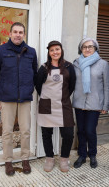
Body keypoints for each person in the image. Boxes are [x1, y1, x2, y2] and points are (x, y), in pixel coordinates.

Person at [0, 22, 38, 176]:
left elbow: (34, 74)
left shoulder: (31, 52)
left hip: (24, 98)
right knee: (7, 132)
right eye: (15, 32)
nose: (18, 34)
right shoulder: (1, 51)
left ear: (24, 35)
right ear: (10, 34)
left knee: (26, 131)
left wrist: (30, 89)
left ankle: (25, 159)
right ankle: (8, 161)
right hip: (6, 98)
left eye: (21, 32)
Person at [36, 41, 76, 172]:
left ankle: (64, 158)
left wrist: (62, 97)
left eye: (57, 49)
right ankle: (49, 158)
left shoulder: (69, 66)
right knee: (46, 134)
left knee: (68, 134)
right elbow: (38, 85)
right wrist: (49, 97)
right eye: (52, 50)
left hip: (64, 105)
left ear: (61, 50)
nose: (55, 52)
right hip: (47, 104)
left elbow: (72, 86)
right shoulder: (43, 68)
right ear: (49, 52)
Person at [72, 37, 109, 169]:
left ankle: (92, 154)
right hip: (79, 102)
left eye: (90, 47)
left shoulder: (103, 64)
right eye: (84, 47)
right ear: (80, 49)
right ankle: (82, 155)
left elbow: (107, 86)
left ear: (95, 49)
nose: (87, 49)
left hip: (95, 103)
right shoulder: (76, 63)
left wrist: (105, 105)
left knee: (90, 130)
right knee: (81, 131)